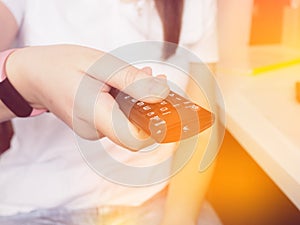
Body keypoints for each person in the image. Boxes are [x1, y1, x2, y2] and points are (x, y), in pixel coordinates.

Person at [0, 0, 222, 224]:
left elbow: (201, 134)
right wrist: (22, 76)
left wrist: (178, 220)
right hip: (35, 205)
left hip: (152, 200)